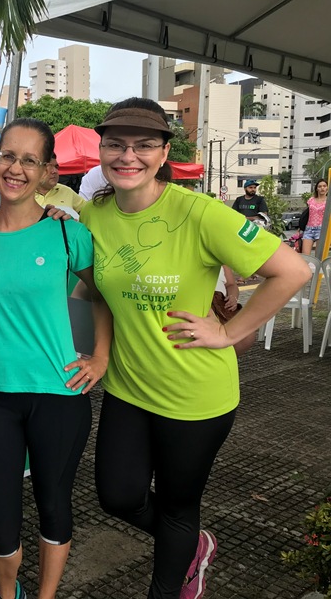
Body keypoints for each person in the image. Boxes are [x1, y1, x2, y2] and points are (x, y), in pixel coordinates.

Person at [79, 97, 311, 599]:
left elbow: (293, 270)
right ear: (101, 150)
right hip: (128, 387)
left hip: (196, 397)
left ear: (164, 153)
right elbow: (94, 291)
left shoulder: (199, 212)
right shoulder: (92, 216)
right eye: (115, 144)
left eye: (144, 145)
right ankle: (193, 546)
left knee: (179, 507)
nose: (127, 156)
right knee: (117, 497)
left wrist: (227, 332)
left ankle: (176, 572)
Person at [0, 118, 113, 599]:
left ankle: (46, 596)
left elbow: (101, 296)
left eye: (30, 159)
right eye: (7, 155)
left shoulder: (67, 235)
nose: (15, 168)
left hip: (59, 393)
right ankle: (9, 594)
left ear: (48, 170)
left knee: (53, 502)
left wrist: (99, 357)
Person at [301, 179, 328, 254]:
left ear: (327, 188)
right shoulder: (311, 200)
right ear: (317, 188)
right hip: (309, 229)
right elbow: (307, 214)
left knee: (319, 256)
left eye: (324, 186)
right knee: (305, 256)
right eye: (320, 186)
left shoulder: (328, 201)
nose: (322, 188)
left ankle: (318, 266)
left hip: (321, 229)